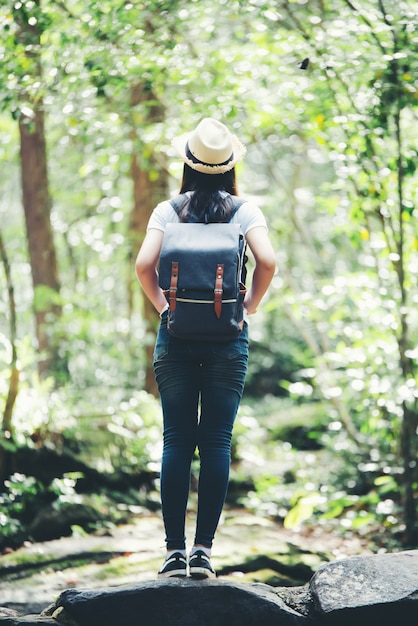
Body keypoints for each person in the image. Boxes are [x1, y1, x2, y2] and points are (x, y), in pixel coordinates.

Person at [135, 117, 276, 579]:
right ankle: (203, 553)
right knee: (216, 441)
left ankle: (173, 553)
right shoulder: (245, 210)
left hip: (175, 337)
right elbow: (268, 261)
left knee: (176, 439)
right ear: (230, 166)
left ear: (188, 164)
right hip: (227, 338)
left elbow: (143, 266)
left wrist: (164, 308)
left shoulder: (166, 210)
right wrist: (247, 307)